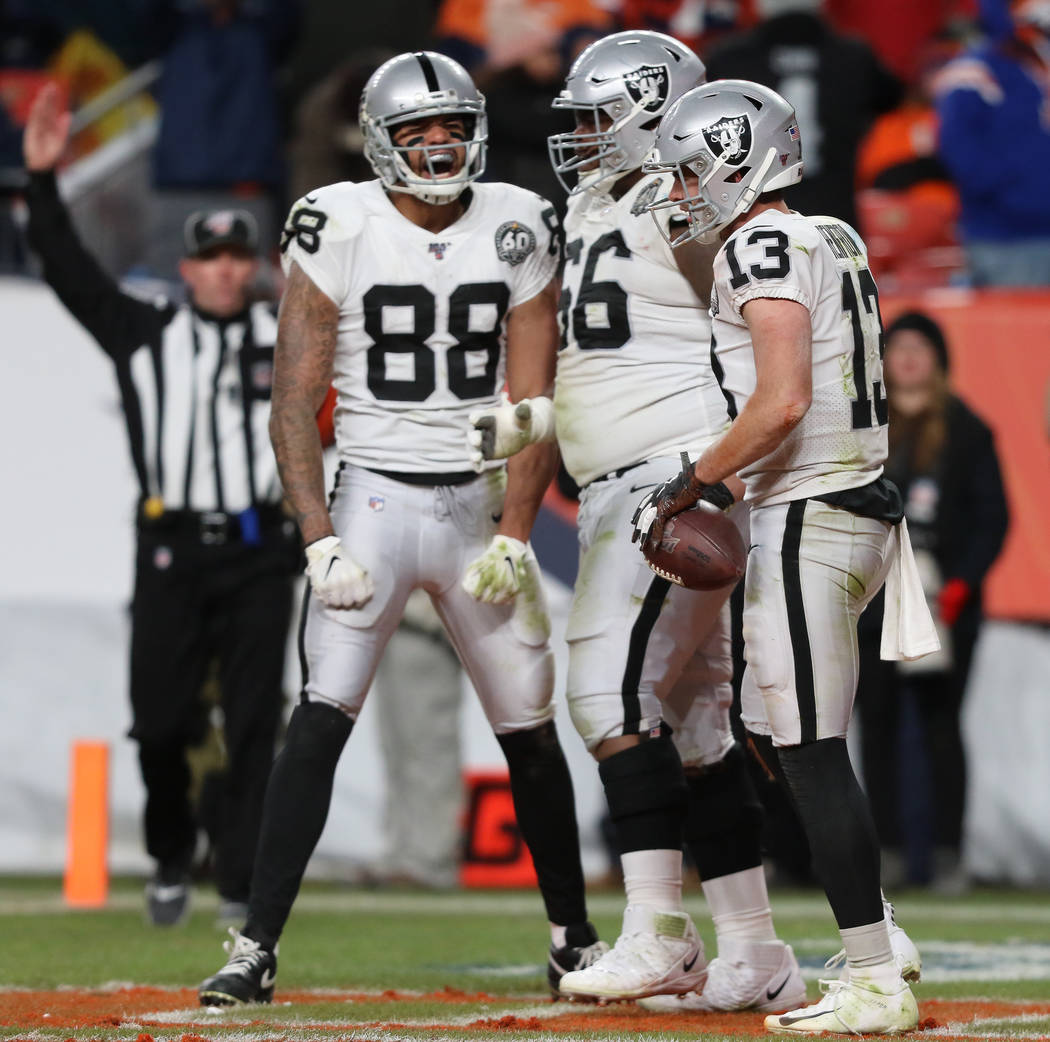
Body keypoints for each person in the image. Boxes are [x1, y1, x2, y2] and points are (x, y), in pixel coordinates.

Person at [197, 50, 605, 1007]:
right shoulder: (338, 220)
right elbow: (293, 401)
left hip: (473, 502)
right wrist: (316, 536)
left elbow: (536, 402)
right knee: (319, 719)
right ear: (381, 141)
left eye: (453, 128)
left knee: (530, 730)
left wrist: (513, 530)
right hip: (372, 498)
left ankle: (573, 940)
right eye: (419, 132)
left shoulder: (515, 221)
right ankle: (255, 947)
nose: (439, 146)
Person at [472, 30, 805, 1012]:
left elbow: (761, 319)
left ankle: (658, 926)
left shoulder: (692, 205)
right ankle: (753, 949)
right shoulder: (591, 203)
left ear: (654, 105)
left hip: (671, 475)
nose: (576, 135)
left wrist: (724, 472)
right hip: (623, 478)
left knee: (606, 696)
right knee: (695, 720)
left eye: (594, 114)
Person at [634, 79, 935, 1034]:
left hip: (813, 511)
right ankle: (882, 929)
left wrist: (693, 483)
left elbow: (783, 400)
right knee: (774, 725)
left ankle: (875, 975)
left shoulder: (758, 243)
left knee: (806, 746)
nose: (682, 190)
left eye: (691, 169)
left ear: (737, 156)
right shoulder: (829, 234)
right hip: (850, 508)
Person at [22, 83, 300, 927]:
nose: (221, 268)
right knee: (159, 723)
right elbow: (69, 272)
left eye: (234, 256)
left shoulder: (289, 340)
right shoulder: (146, 332)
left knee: (256, 722)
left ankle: (242, 885)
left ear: (252, 266)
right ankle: (173, 850)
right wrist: (39, 179)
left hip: (260, 552)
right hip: (171, 551)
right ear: (186, 268)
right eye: (207, 256)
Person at [855, 311, 1008, 893]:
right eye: (900, 346)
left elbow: (992, 517)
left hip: (945, 600)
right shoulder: (864, 426)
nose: (911, 357)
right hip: (876, 597)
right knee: (878, 724)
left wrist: (965, 581)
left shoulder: (968, 430)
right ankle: (888, 852)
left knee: (943, 727)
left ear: (940, 359)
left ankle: (947, 855)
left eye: (923, 346)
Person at [703, 0, 902, 232]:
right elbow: (891, 98)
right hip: (836, 209)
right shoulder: (854, 55)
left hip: (752, 210)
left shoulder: (729, 58)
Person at [934, 0, 1050, 287]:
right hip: (1009, 238)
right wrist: (1021, 192)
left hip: (1026, 229)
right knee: (1025, 331)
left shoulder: (1037, 66)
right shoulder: (973, 73)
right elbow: (961, 156)